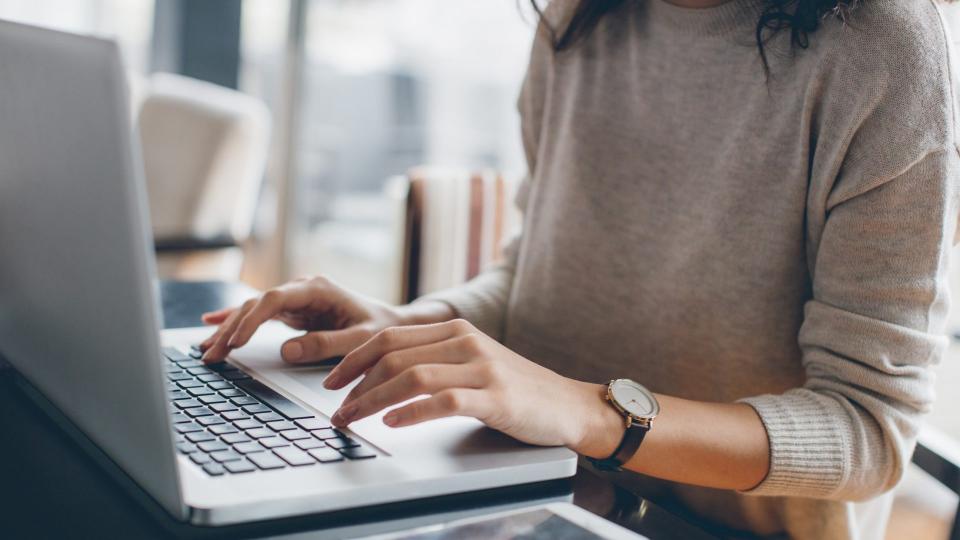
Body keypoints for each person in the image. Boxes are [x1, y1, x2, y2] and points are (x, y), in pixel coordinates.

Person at [200, 0, 960, 537]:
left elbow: (869, 431)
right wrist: (407, 326)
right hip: (533, 492)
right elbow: (534, 272)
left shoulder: (885, 47)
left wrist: (592, 414)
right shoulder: (579, 14)